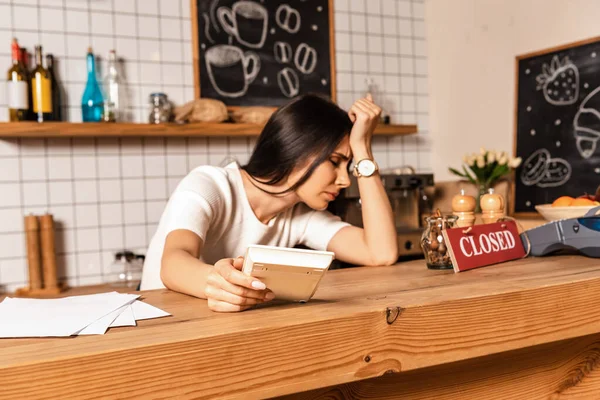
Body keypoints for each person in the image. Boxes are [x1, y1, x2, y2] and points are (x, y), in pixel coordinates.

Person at [140, 94, 398, 312]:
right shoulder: (210, 185)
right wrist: (220, 281)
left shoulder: (300, 215)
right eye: (334, 161)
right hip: (158, 327)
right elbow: (173, 263)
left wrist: (363, 149)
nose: (345, 180)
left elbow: (380, 253)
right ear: (297, 149)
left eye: (349, 165)